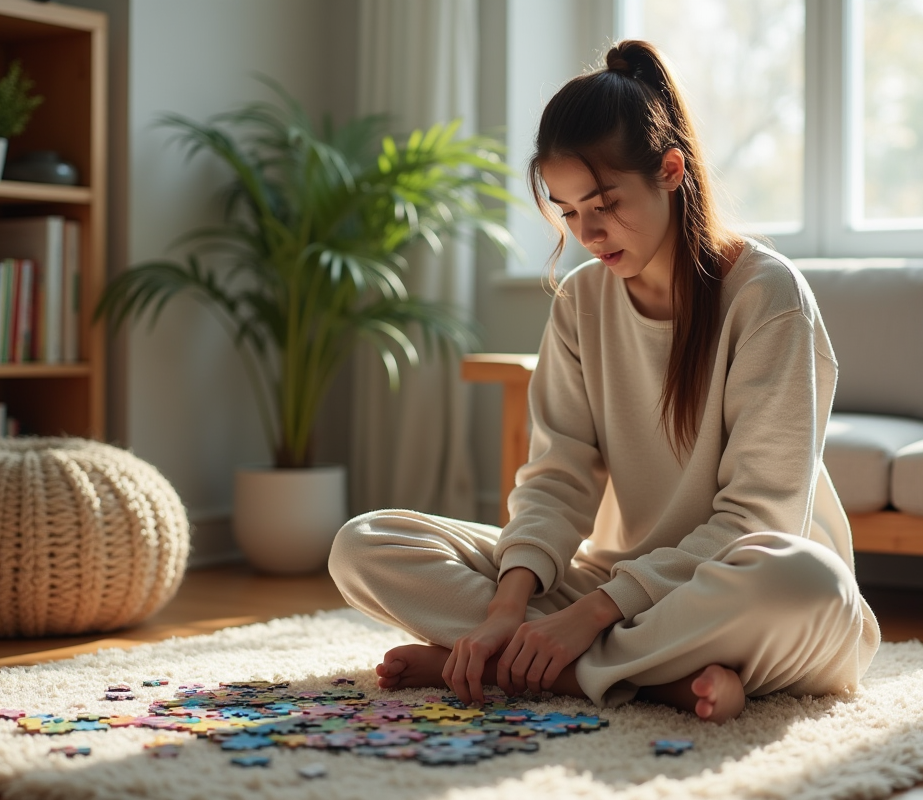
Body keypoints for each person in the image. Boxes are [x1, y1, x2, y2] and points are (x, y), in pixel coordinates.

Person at [329, 39, 880, 723]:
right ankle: (644, 675)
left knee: (805, 581)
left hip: (742, 589)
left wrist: (590, 615)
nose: (587, 233)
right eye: (567, 212)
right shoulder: (580, 301)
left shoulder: (768, 296)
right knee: (365, 544)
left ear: (671, 171)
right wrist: (506, 610)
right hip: (617, 581)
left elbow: (756, 521)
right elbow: (556, 478)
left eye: (605, 203)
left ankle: (544, 669)